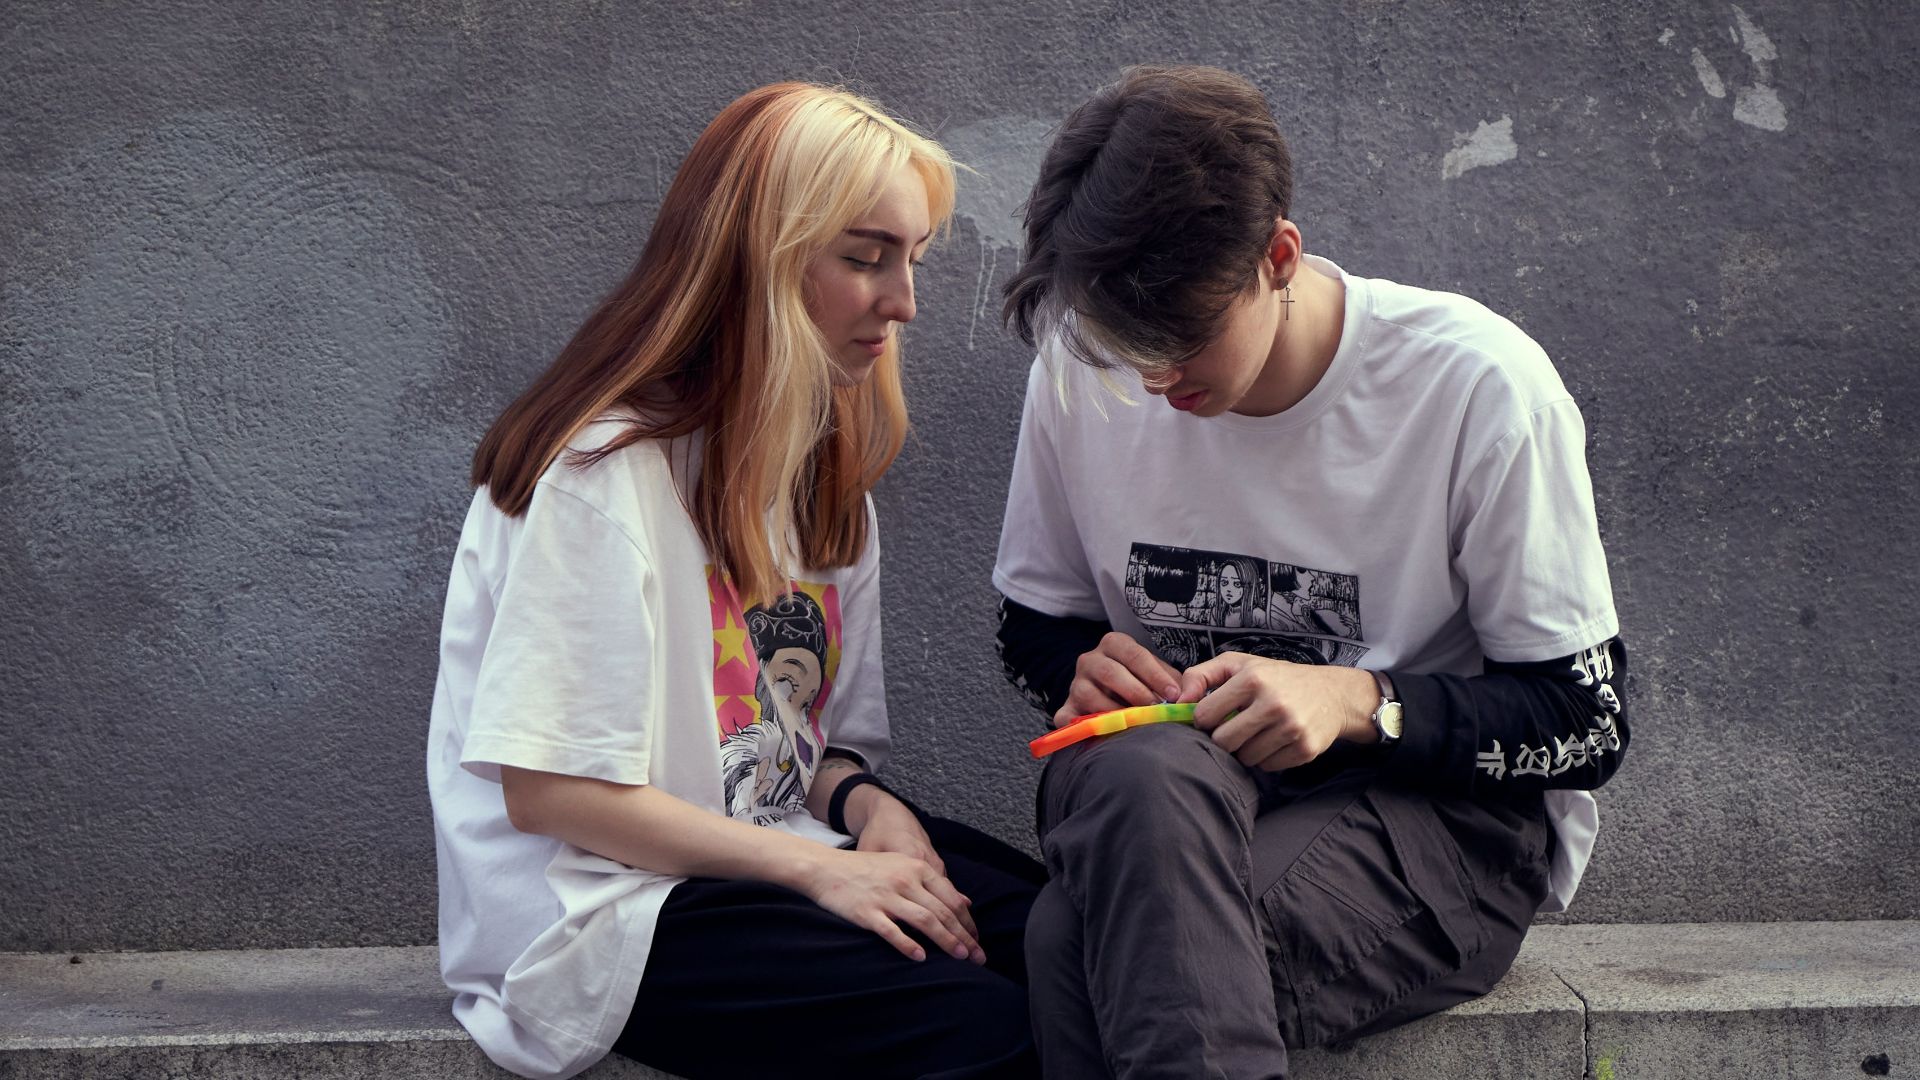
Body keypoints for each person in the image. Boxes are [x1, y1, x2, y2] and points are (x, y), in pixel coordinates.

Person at [992, 66, 1630, 1078]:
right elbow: (1034, 624)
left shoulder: (1476, 386)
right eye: (1124, 342)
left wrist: (1361, 703)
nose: (1153, 378)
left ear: (1277, 257)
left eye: (1183, 333)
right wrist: (1078, 667)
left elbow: (1586, 724)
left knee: (1068, 950)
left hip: (1429, 817)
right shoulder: (1081, 363)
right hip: (1149, 790)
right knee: (1144, 776)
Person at [427, 82, 1044, 1080]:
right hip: (602, 916)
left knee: (1069, 945)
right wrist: (816, 867)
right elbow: (550, 793)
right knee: (986, 1032)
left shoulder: (821, 482)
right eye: (865, 256)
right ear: (759, 257)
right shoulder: (598, 473)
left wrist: (868, 812)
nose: (904, 302)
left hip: (759, 858)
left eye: (913, 259)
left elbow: (801, 758)